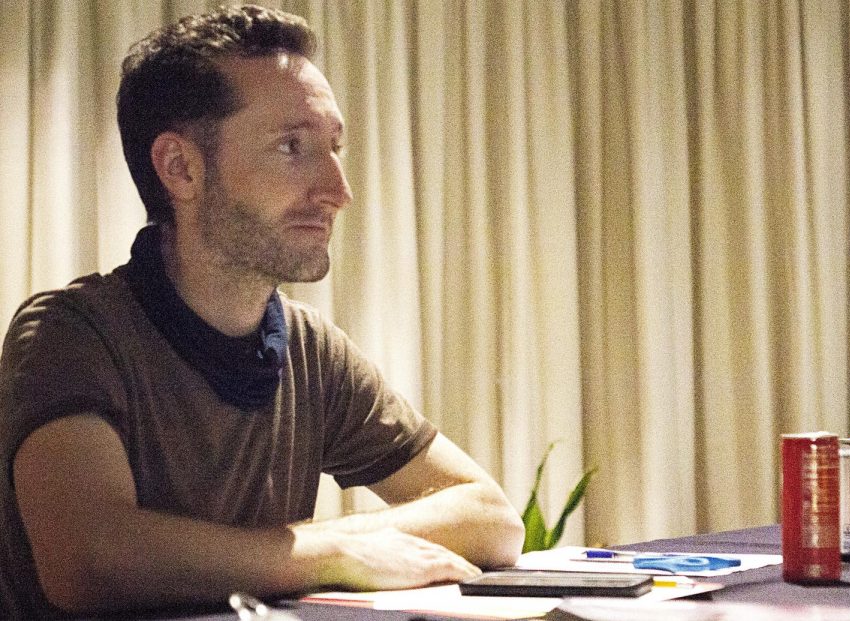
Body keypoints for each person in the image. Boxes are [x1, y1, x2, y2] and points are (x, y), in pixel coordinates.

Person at [0, 5, 524, 618]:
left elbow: (490, 516)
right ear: (181, 168)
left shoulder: (309, 348)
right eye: (292, 147)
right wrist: (327, 551)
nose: (338, 190)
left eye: (336, 148)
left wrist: (332, 545)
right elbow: (89, 560)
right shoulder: (72, 332)